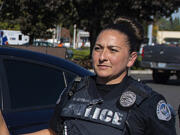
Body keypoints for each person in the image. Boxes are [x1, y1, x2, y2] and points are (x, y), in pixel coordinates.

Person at [0, 17, 177, 135]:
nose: (102, 57)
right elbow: (53, 133)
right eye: (98, 48)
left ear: (131, 59)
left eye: (113, 50)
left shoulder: (147, 103)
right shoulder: (75, 89)